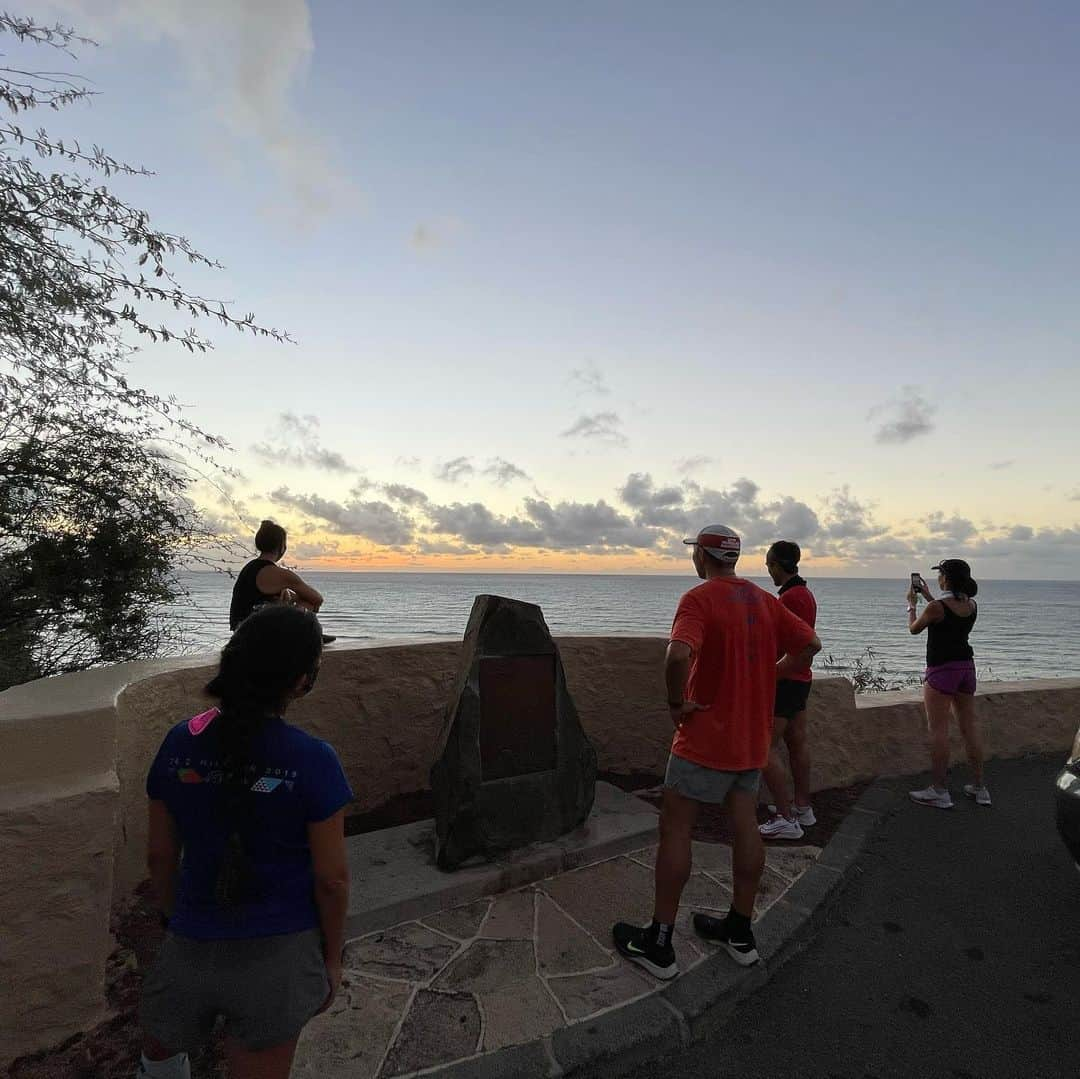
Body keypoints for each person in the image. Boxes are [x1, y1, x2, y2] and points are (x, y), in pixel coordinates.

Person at [137, 605, 353, 1079]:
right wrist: (332, 959)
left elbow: (160, 855)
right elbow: (331, 879)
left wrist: (180, 918)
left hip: (190, 942)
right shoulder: (314, 760)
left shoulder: (180, 743)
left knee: (160, 1058)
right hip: (278, 958)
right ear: (301, 681)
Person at [612, 525, 821, 979]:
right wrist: (770, 672)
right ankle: (739, 931)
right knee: (744, 824)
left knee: (677, 828)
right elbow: (810, 645)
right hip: (750, 739)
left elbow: (675, 656)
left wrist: (675, 704)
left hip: (703, 736)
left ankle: (660, 943)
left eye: (694, 553)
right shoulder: (765, 600)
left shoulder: (698, 599)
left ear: (702, 557)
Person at [906, 558, 989, 810]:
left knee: (938, 730)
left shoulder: (937, 608)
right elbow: (945, 613)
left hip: (942, 670)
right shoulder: (972, 605)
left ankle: (940, 790)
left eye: (940, 574)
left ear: (946, 578)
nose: (938, 578)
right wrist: (930, 596)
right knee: (969, 728)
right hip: (966, 668)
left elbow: (914, 629)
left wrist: (911, 605)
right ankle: (979, 787)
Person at [759, 541, 819, 840]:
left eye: (767, 563)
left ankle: (785, 818)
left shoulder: (790, 598)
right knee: (797, 743)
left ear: (776, 564)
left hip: (786, 681)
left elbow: (802, 646)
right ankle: (802, 808)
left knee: (764, 748)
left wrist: (768, 674)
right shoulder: (803, 594)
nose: (766, 569)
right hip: (800, 680)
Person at [229, 519, 334, 643]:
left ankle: (307, 635)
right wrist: (293, 598)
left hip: (239, 631)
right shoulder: (279, 574)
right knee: (308, 604)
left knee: (294, 603)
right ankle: (308, 635)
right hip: (255, 634)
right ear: (281, 547)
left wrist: (288, 596)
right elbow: (317, 599)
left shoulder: (250, 568)